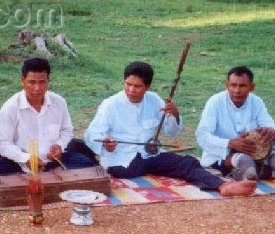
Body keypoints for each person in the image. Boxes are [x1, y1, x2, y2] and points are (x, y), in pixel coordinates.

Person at [84, 61, 257, 196]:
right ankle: (222, 182)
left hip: (148, 156)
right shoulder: (110, 105)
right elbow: (91, 135)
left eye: (137, 86)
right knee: (169, 164)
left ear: (148, 86)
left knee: (188, 162)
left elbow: (171, 132)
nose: (131, 90)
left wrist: (174, 114)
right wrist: (106, 143)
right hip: (122, 162)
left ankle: (223, 186)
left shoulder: (154, 99)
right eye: (128, 84)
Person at [0, 57, 95, 191]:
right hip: (20, 163)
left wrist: (59, 146)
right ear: (22, 80)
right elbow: (2, 144)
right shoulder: (10, 107)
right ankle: (49, 182)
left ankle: (51, 178)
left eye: (42, 82)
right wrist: (26, 158)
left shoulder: (59, 102)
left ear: (48, 81)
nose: (37, 88)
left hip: (53, 161)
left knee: (91, 169)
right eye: (31, 82)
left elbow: (66, 130)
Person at [196, 66, 275, 180]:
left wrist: (272, 132)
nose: (237, 91)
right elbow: (202, 135)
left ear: (251, 87)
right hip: (224, 153)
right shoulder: (215, 102)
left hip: (252, 151)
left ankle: (263, 163)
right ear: (227, 85)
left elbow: (272, 126)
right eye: (233, 85)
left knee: (265, 148)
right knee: (242, 160)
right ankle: (251, 167)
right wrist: (230, 143)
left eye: (242, 86)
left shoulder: (256, 102)